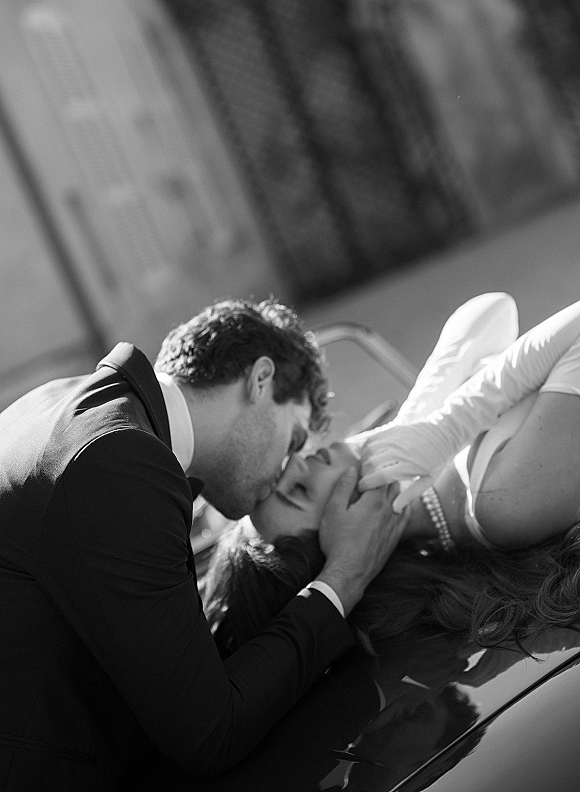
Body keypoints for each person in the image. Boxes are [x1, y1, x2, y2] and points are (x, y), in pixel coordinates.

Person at [0, 297, 408, 792]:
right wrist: (345, 575)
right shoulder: (118, 460)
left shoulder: (63, 403)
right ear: (261, 381)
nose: (286, 468)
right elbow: (211, 734)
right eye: (293, 438)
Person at [204, 293, 580, 657]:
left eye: (280, 473)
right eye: (300, 489)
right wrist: (450, 424)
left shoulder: (424, 456)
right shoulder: (498, 504)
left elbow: (494, 310)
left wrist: (419, 413)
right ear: (357, 539)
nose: (300, 461)